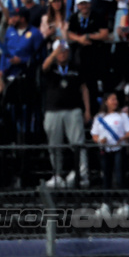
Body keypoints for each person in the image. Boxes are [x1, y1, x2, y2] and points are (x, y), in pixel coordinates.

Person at [40, 40, 90, 189]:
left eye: (65, 51)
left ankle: (82, 174)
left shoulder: (76, 67)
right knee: (54, 144)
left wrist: (87, 110)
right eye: (60, 51)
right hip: (53, 110)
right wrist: (54, 53)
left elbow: (84, 89)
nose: (63, 53)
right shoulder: (51, 67)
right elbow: (44, 66)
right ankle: (57, 174)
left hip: (73, 109)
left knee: (78, 142)